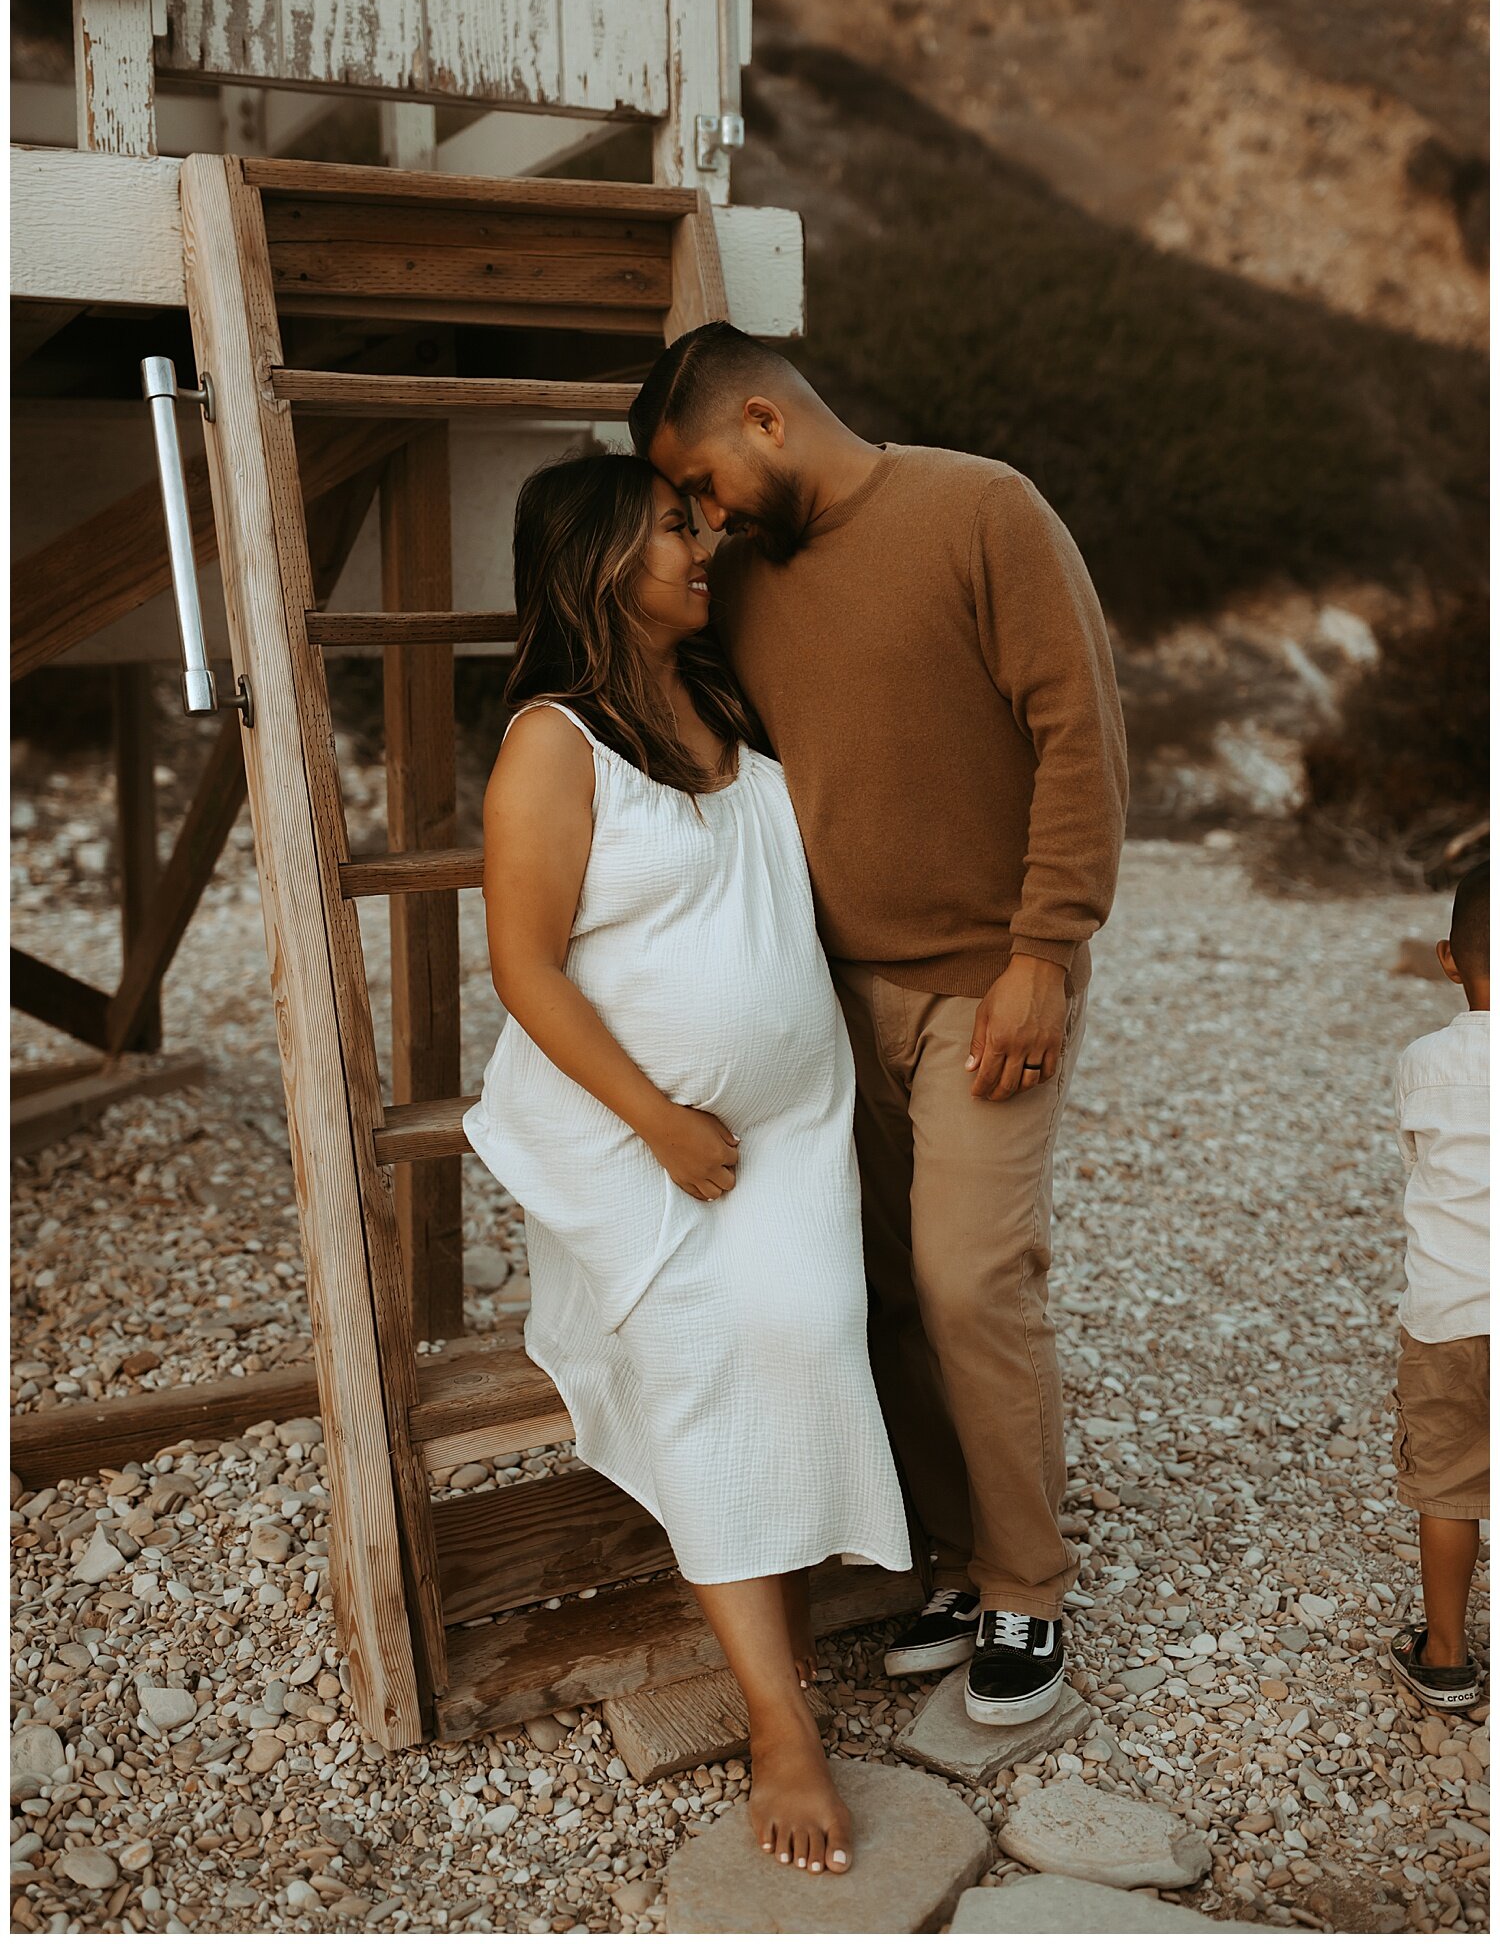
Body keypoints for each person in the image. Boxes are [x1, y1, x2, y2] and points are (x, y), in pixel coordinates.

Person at [631, 321, 1128, 1726]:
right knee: (887, 1287)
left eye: (707, 480)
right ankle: (962, 1559)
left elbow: (1080, 734)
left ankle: (1029, 1586)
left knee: (974, 1279)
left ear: (763, 419)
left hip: (989, 984)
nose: (707, 517)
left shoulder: (984, 508)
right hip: (828, 996)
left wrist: (1049, 949)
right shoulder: (744, 588)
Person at [463, 451, 912, 1878]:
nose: (703, 542)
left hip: (789, 1128)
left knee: (817, 1334)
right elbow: (525, 968)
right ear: (601, 559)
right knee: (716, 1364)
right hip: (634, 1138)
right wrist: (660, 1121)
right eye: (674, 528)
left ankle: (789, 1596)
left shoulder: (722, 697)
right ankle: (786, 1727)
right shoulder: (554, 740)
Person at [1386, 861, 1489, 1714]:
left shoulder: (1424, 1063)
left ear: (1449, 960)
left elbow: (1418, 1165)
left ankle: (1448, 1654)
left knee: (1452, 1486)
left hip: (1450, 1317)